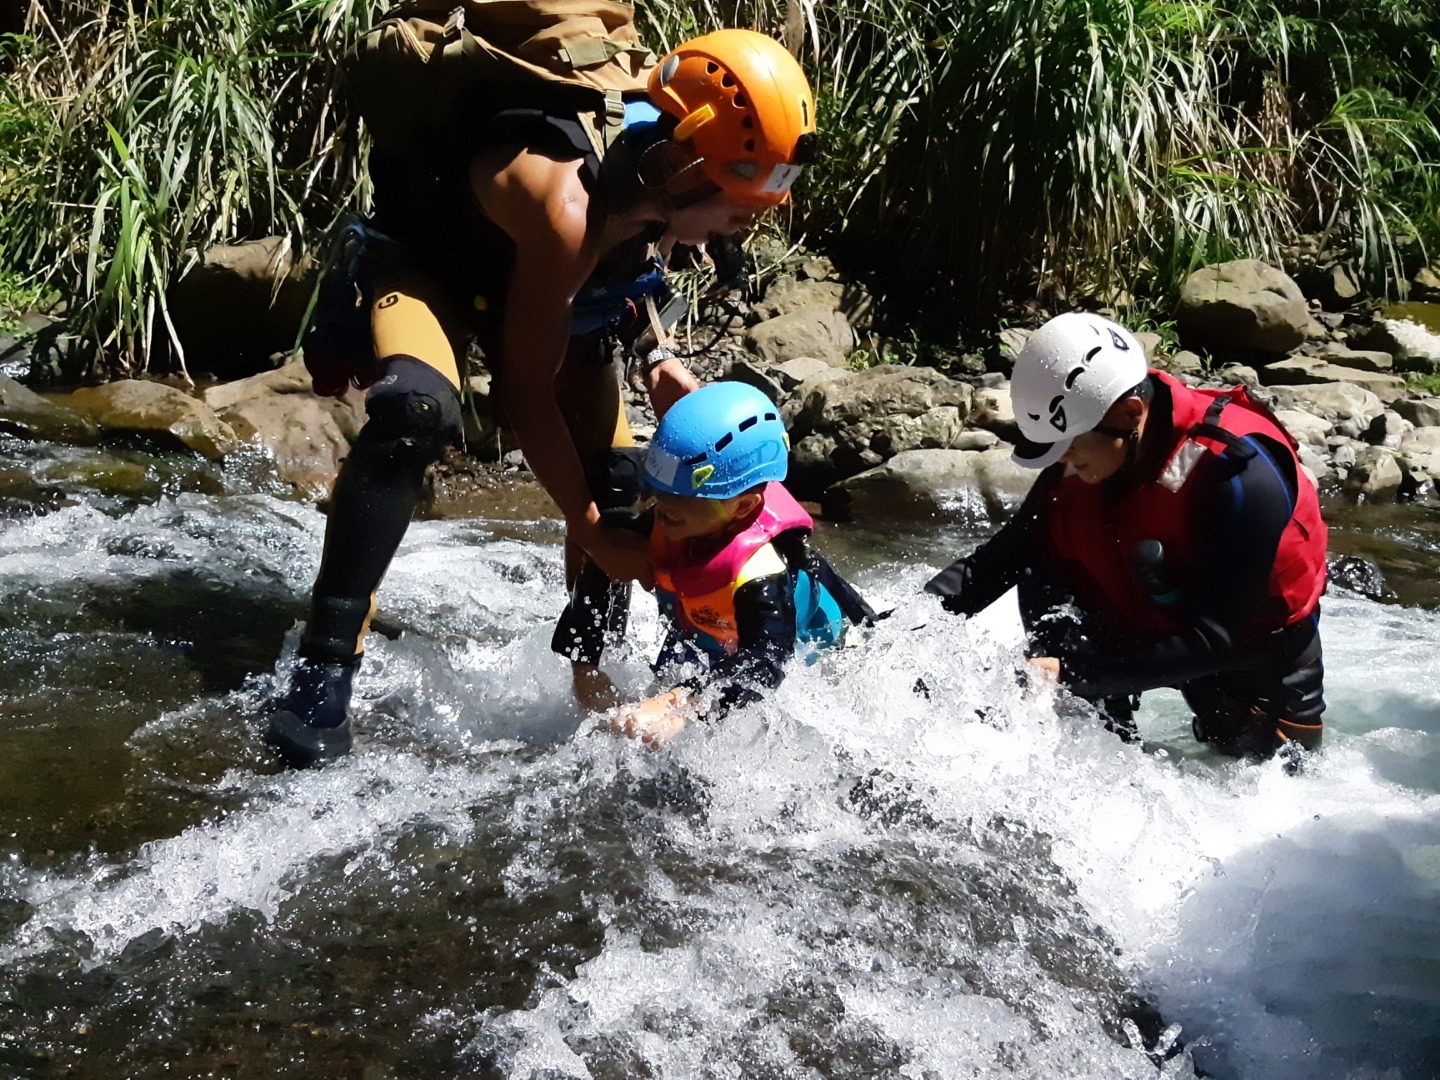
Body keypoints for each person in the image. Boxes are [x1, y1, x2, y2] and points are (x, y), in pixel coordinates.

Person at [264, 27, 819, 767]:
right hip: (431, 271)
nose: (743, 227)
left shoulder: (657, 164)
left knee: (618, 479)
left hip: (548, 302)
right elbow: (525, 396)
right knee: (416, 414)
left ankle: (588, 689)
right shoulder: (564, 205)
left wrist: (657, 354)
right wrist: (588, 532)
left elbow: (629, 273)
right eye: (739, 208)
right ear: (685, 164)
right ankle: (323, 665)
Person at [925, 312, 1328, 761]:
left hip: (1241, 653)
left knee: (1256, 781)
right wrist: (905, 627)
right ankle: (1094, 753)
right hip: (1128, 624)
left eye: (1071, 449)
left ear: (1129, 414)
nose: (1064, 466)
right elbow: (998, 560)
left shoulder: (1240, 472)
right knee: (1041, 564)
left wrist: (1071, 675)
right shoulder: (1092, 441)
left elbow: (1218, 639)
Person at [608, 382, 874, 748]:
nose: (662, 503)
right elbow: (603, 557)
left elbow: (766, 664)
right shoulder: (672, 519)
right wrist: (584, 665)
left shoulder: (761, 572)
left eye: (684, 494)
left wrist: (683, 704)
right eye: (660, 487)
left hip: (820, 656)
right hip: (710, 638)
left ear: (744, 506)